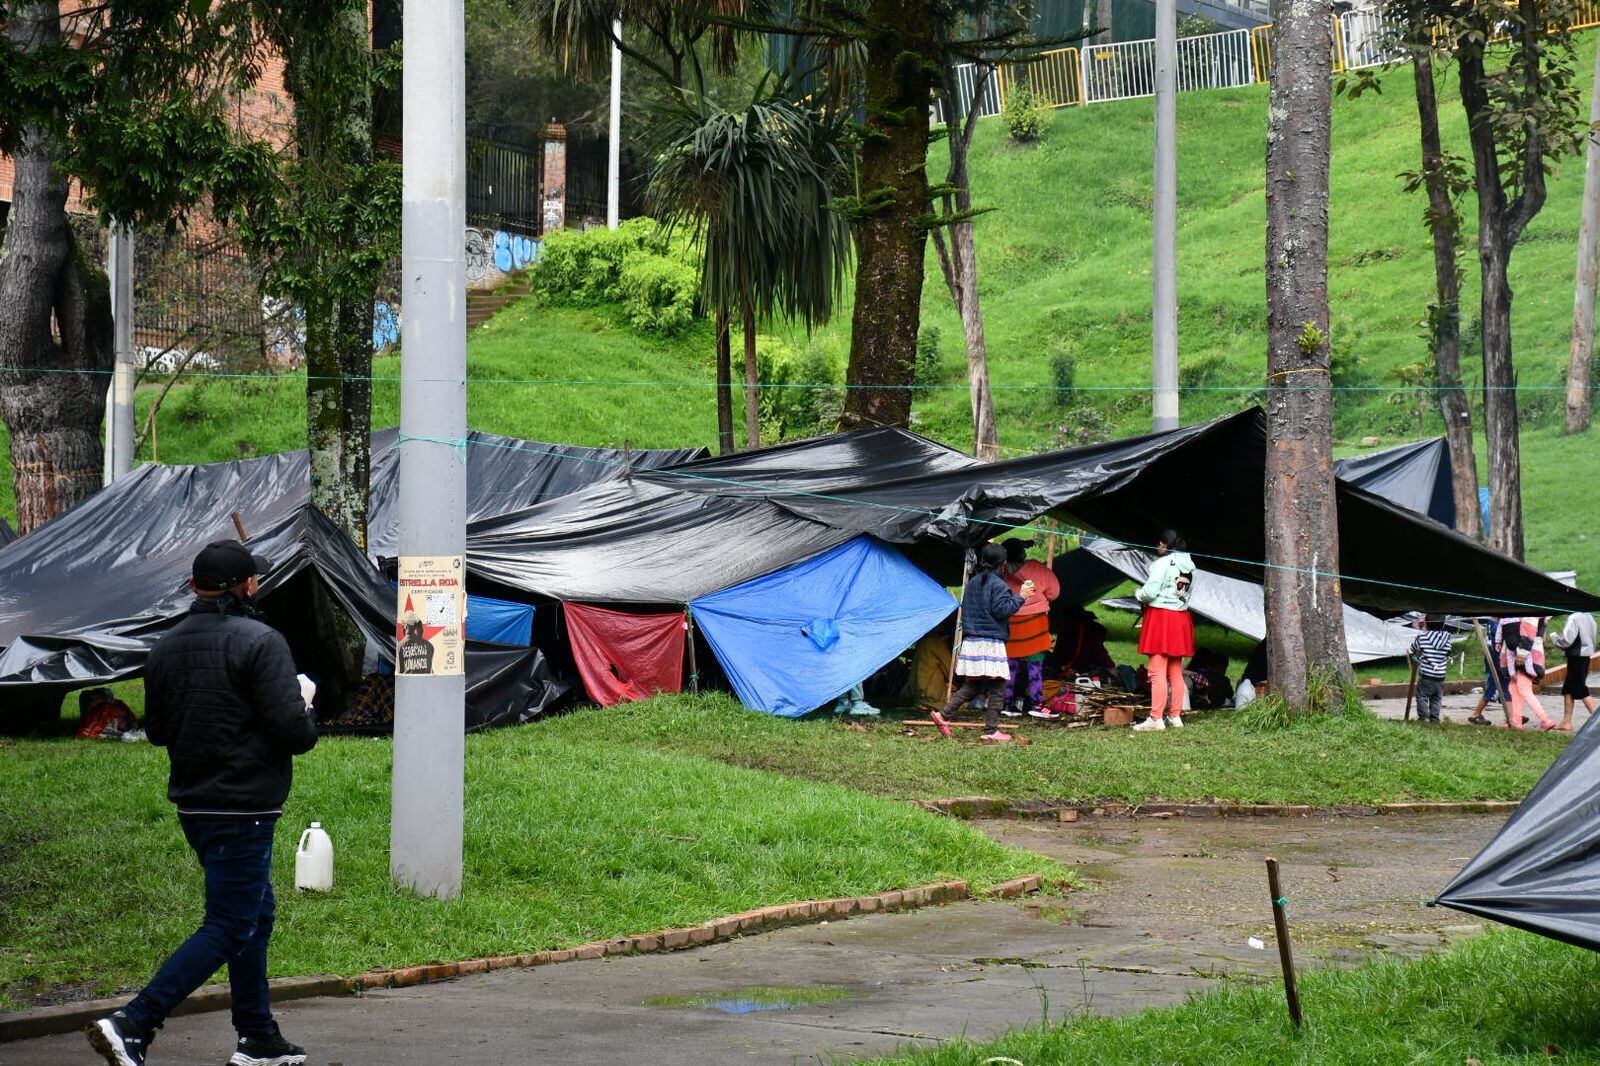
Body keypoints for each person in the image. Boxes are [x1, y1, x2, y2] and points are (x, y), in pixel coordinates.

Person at [89, 541, 316, 1066]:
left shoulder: (165, 648)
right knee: (230, 925)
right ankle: (133, 1021)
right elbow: (293, 732)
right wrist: (305, 707)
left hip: (195, 804)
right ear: (247, 586)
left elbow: (160, 732)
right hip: (246, 804)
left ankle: (257, 1035)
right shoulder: (263, 641)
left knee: (255, 913)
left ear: (194, 587)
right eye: (254, 579)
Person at [931, 542, 1028, 743]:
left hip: (972, 640)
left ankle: (942, 714)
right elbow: (1002, 611)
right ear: (1003, 564)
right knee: (998, 686)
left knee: (973, 684)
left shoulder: (974, 582)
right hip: (989, 641)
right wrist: (1021, 597)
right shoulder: (999, 584)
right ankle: (991, 730)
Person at [1132, 530, 1195, 731]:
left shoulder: (1162, 563)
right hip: (1180, 617)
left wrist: (1138, 594)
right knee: (1175, 670)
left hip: (1162, 617)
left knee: (1157, 671)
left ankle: (1155, 718)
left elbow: (1150, 592)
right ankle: (1175, 716)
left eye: (1159, 544)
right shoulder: (1191, 565)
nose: (1158, 548)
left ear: (1164, 544)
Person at [1001, 539, 1061, 719]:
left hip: (1011, 621)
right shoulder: (1039, 569)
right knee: (1035, 665)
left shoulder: (1000, 573)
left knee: (1010, 665)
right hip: (1036, 623)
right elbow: (1054, 593)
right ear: (1023, 553)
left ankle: (1007, 704)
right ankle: (1036, 704)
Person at [1499, 615, 1557, 730]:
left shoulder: (1530, 612)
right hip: (1521, 654)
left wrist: (1522, 652)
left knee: (1524, 689)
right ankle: (1516, 721)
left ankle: (1545, 720)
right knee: (1514, 687)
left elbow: (1529, 628)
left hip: (1525, 656)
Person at [1550, 611, 1597, 731]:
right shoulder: (1589, 616)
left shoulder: (1574, 617)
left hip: (1576, 656)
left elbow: (1567, 640)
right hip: (1585, 656)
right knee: (1568, 688)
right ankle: (1566, 722)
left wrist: (1554, 637)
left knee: (1580, 688)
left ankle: (1597, 719)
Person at [1465, 618, 1511, 726]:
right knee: (1495, 690)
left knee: (1504, 690)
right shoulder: (1496, 626)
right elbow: (1497, 647)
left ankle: (1512, 716)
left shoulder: (1491, 623)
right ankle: (1476, 714)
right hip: (1498, 663)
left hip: (1494, 662)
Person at [1409, 615, 1453, 724]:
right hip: (1440, 675)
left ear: (1426, 624)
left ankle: (1423, 717)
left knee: (1422, 696)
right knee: (1436, 698)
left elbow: (1413, 648)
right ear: (1443, 624)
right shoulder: (1447, 637)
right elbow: (1448, 652)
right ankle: (1434, 719)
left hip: (1426, 675)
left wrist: (1417, 654)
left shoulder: (1422, 637)